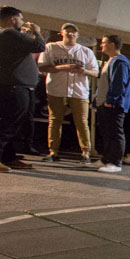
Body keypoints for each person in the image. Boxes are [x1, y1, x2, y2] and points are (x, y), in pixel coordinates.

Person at [0, 6, 45, 172]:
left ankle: (7, 157)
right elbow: (39, 46)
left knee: (13, 123)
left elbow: (25, 46)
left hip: (14, 84)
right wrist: (37, 32)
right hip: (10, 85)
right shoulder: (7, 33)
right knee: (5, 123)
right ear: (13, 19)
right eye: (21, 19)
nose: (23, 23)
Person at [37, 22, 98, 164]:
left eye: (73, 32)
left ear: (77, 35)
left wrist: (83, 71)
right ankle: (53, 151)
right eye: (67, 31)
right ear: (61, 33)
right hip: (56, 88)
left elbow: (95, 72)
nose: (70, 34)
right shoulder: (51, 47)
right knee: (54, 120)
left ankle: (86, 152)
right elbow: (42, 66)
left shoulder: (85, 51)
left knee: (82, 122)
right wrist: (64, 67)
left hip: (79, 90)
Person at [94, 35, 130, 173]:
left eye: (103, 43)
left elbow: (118, 84)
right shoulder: (111, 60)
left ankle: (115, 162)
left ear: (111, 45)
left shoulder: (120, 62)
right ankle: (106, 158)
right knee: (107, 132)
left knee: (115, 132)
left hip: (113, 104)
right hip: (104, 102)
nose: (101, 45)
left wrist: (110, 100)